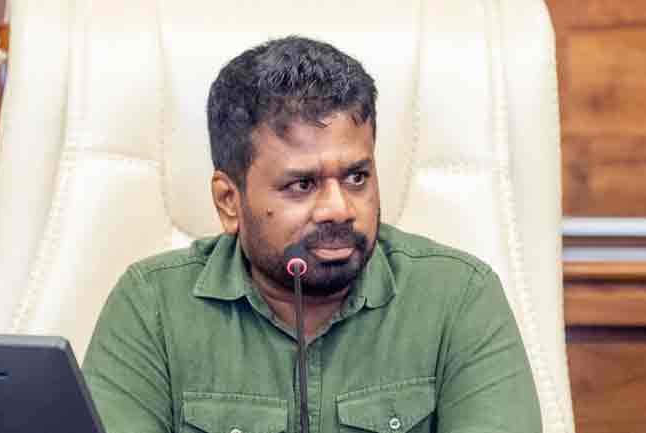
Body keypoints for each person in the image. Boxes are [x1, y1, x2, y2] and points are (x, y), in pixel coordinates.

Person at [83, 35, 541, 433]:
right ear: (228, 201)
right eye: (301, 185)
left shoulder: (458, 297)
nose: (339, 209)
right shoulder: (152, 306)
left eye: (357, 177)